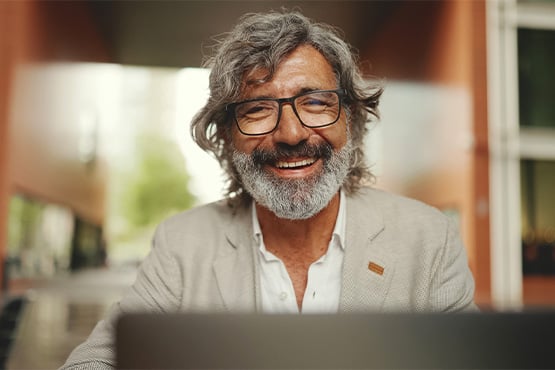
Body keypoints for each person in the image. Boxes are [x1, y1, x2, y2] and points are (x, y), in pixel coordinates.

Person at [61, 10, 477, 369]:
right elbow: (103, 357)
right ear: (226, 135)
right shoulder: (182, 245)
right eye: (258, 109)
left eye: (315, 102)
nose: (292, 133)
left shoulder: (428, 238)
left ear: (349, 118)